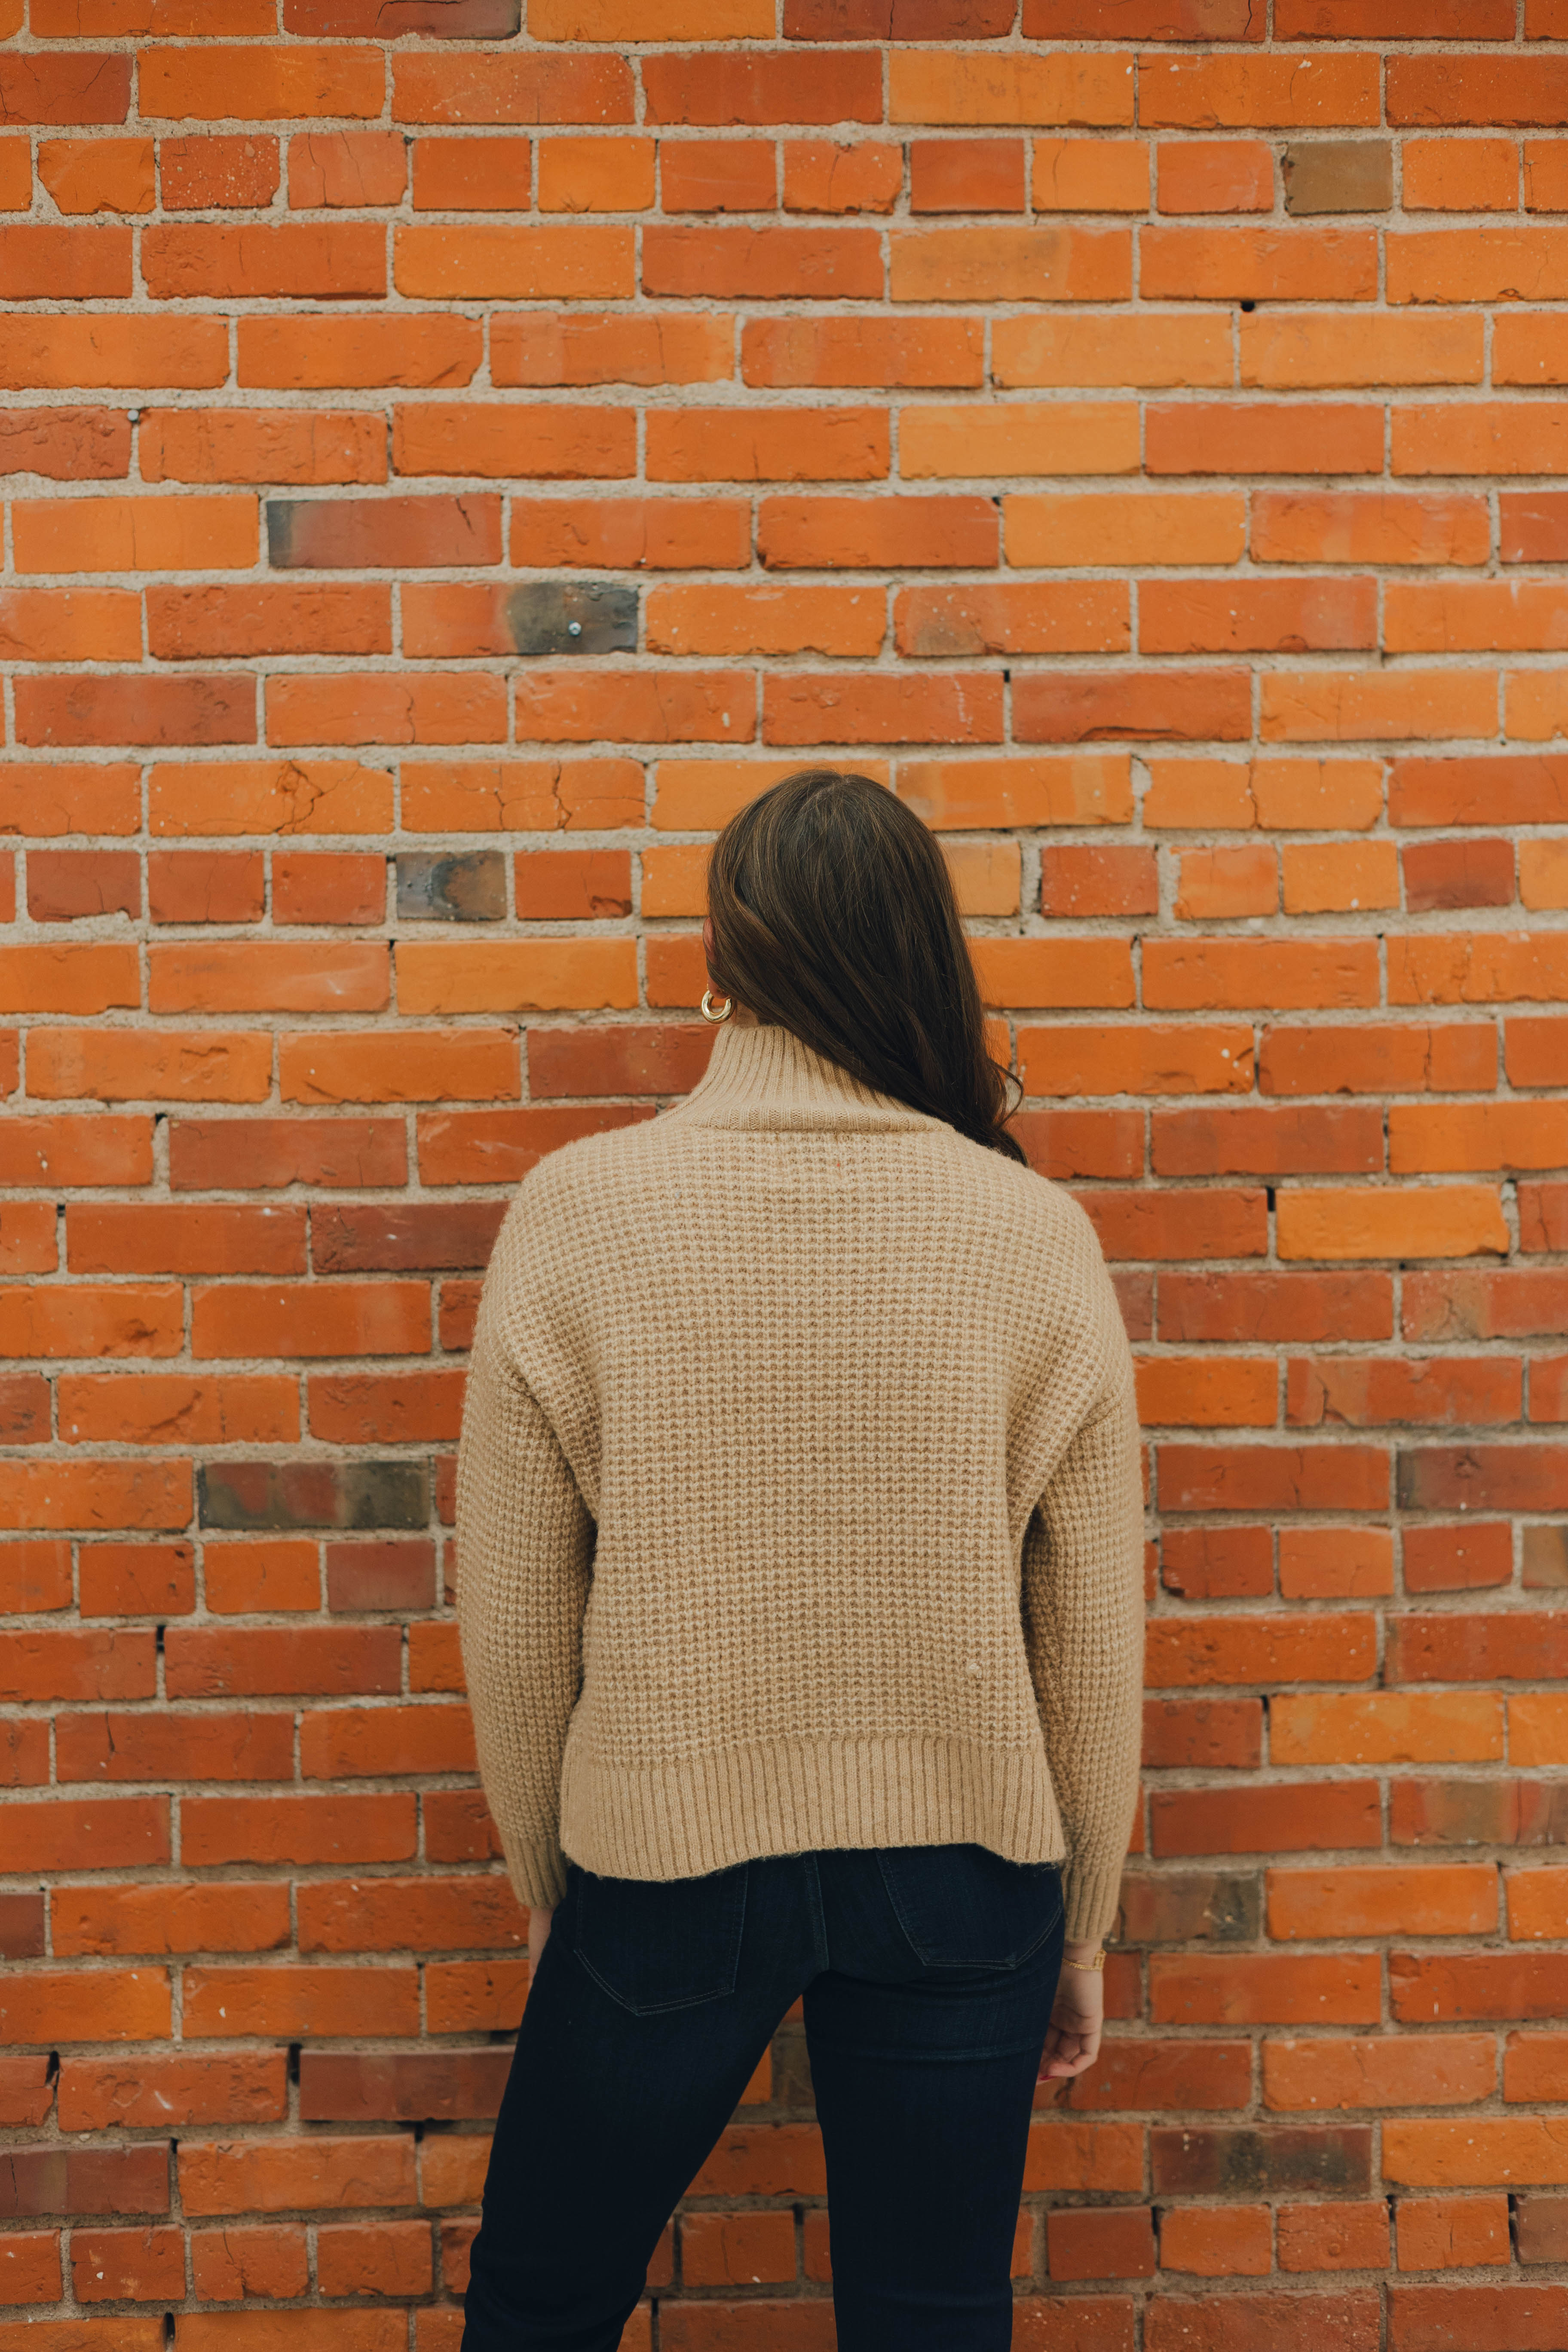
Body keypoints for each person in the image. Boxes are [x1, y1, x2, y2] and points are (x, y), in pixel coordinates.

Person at [454, 768, 1146, 2350]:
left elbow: (512, 1600)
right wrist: (1084, 1923)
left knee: (543, 2299)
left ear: (724, 960)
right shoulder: (1026, 1231)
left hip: (667, 1852)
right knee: (931, 2317)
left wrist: (547, 1883)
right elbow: (1091, 1622)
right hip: (967, 1866)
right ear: (925, 956)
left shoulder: (583, 1213)